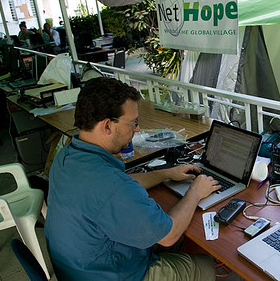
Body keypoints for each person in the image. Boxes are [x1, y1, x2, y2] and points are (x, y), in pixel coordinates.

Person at [44, 77, 221, 280]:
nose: (137, 129)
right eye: (134, 123)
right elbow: (168, 236)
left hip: (76, 265)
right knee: (204, 265)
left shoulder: (68, 155)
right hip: (108, 273)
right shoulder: (112, 187)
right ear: (107, 126)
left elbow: (119, 185)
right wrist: (195, 192)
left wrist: (166, 173)